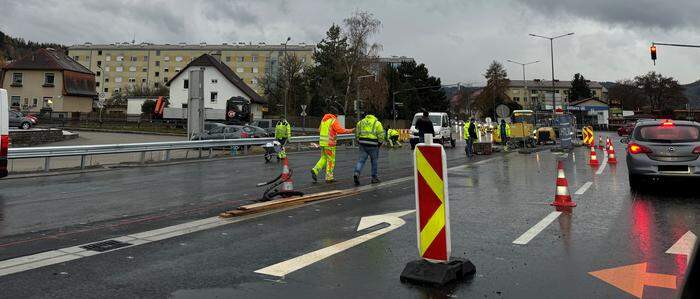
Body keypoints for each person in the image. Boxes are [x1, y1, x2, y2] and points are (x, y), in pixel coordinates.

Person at [311, 113, 353, 183]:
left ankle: (315, 170)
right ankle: (329, 177)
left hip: (322, 143)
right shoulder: (333, 120)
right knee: (331, 160)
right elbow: (340, 130)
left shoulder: (324, 120)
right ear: (335, 115)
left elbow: (319, 130)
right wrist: (350, 130)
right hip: (330, 144)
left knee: (323, 158)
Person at [353, 113, 385, 186]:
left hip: (362, 143)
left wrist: (358, 141)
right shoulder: (377, 123)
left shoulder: (360, 122)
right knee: (374, 161)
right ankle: (374, 178)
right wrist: (379, 143)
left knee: (361, 160)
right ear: (374, 116)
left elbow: (357, 134)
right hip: (373, 144)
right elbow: (381, 135)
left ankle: (356, 173)